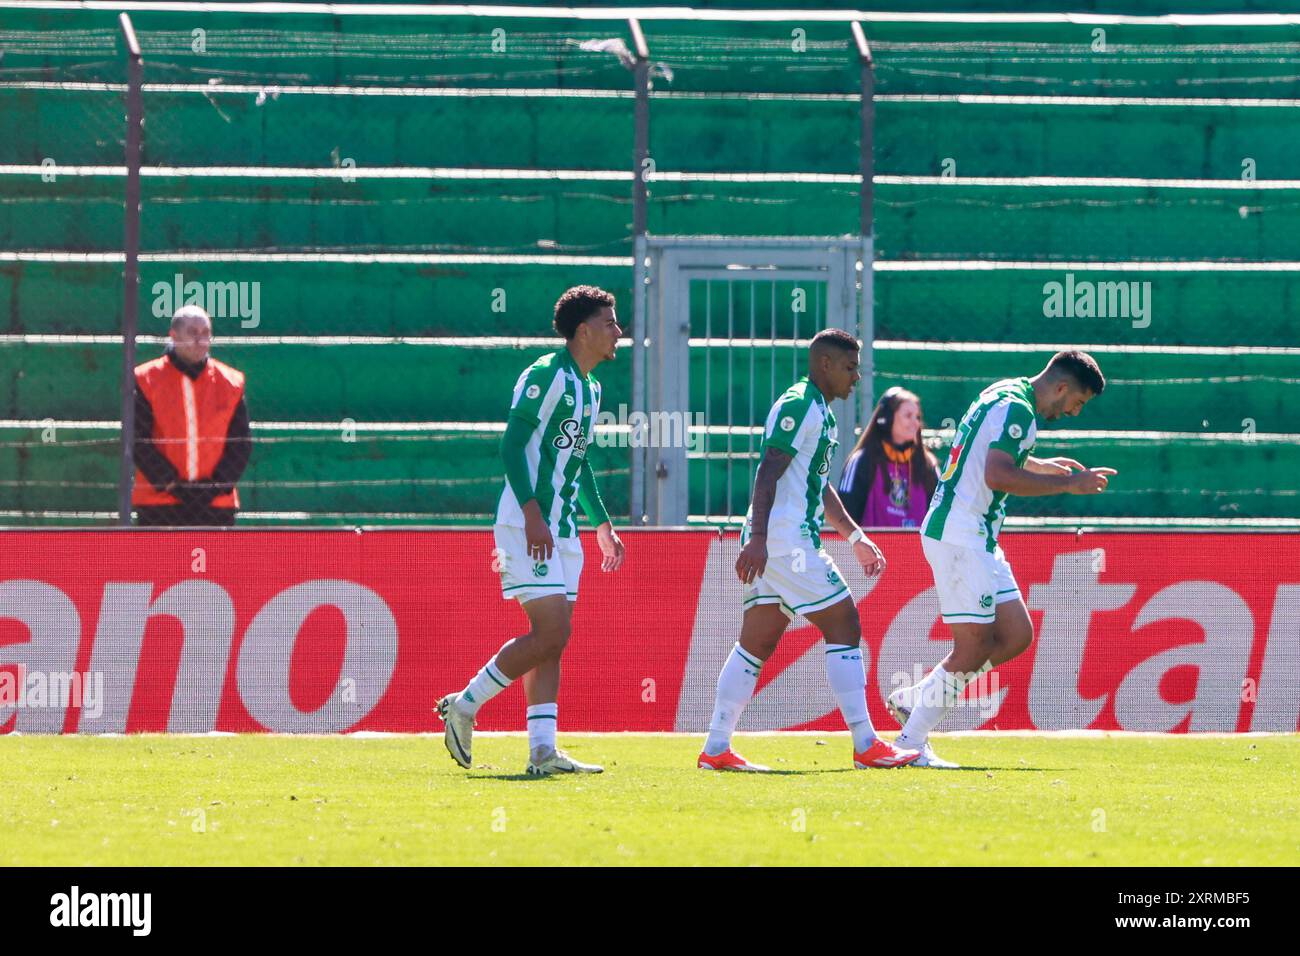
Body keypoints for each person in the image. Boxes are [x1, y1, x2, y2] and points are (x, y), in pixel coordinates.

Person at [696, 328, 920, 772]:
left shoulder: (820, 410)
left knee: (756, 642)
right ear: (826, 365)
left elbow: (817, 487)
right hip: (783, 542)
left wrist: (855, 537)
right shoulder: (801, 405)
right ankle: (865, 742)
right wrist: (759, 539)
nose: (856, 378)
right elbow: (768, 471)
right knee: (843, 619)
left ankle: (716, 747)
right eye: (850, 367)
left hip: (777, 542)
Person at [888, 350, 1116, 768]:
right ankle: (911, 742)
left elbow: (993, 455)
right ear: (1062, 387)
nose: (1073, 412)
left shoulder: (1006, 392)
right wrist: (1068, 484)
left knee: (1015, 634)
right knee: (974, 645)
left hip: (978, 536)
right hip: (960, 534)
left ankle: (919, 697)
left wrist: (1045, 467)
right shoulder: (1019, 408)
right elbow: (997, 474)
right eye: (1077, 403)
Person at [437, 286, 626, 776]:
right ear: (583, 331)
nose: (617, 331)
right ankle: (465, 703)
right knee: (552, 630)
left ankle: (542, 750)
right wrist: (532, 514)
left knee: (553, 640)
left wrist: (601, 522)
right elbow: (510, 445)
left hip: (564, 529)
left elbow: (577, 464)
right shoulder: (546, 375)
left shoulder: (591, 387)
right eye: (610, 323)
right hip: (528, 524)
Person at [132, 304, 251, 526]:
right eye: (193, 333)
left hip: (215, 504)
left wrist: (214, 487)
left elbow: (241, 443)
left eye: (206, 333)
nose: (201, 339)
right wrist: (170, 484)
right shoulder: (146, 379)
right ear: (174, 336)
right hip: (159, 502)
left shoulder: (231, 382)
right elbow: (139, 440)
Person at [837, 386, 939, 528]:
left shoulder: (928, 465)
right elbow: (845, 516)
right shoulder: (861, 461)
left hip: (917, 550)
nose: (915, 423)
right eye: (908, 415)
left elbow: (940, 516)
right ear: (886, 419)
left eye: (917, 417)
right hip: (873, 550)